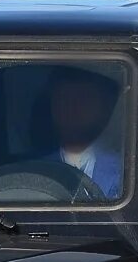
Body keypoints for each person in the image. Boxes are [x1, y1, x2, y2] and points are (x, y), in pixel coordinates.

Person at [45, 68, 123, 198]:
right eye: (63, 99)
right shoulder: (36, 171)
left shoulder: (128, 171)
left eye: (82, 100)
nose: (72, 109)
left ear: (101, 108)